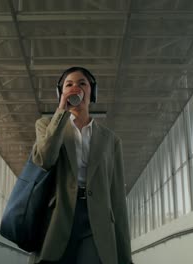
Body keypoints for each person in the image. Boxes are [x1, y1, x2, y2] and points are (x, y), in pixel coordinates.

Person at [31, 67, 133, 264]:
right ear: (61, 93)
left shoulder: (111, 140)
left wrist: (125, 257)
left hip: (98, 220)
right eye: (68, 85)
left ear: (91, 93)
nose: (75, 88)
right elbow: (45, 159)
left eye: (82, 84)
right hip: (58, 217)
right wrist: (61, 112)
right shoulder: (45, 125)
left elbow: (118, 198)